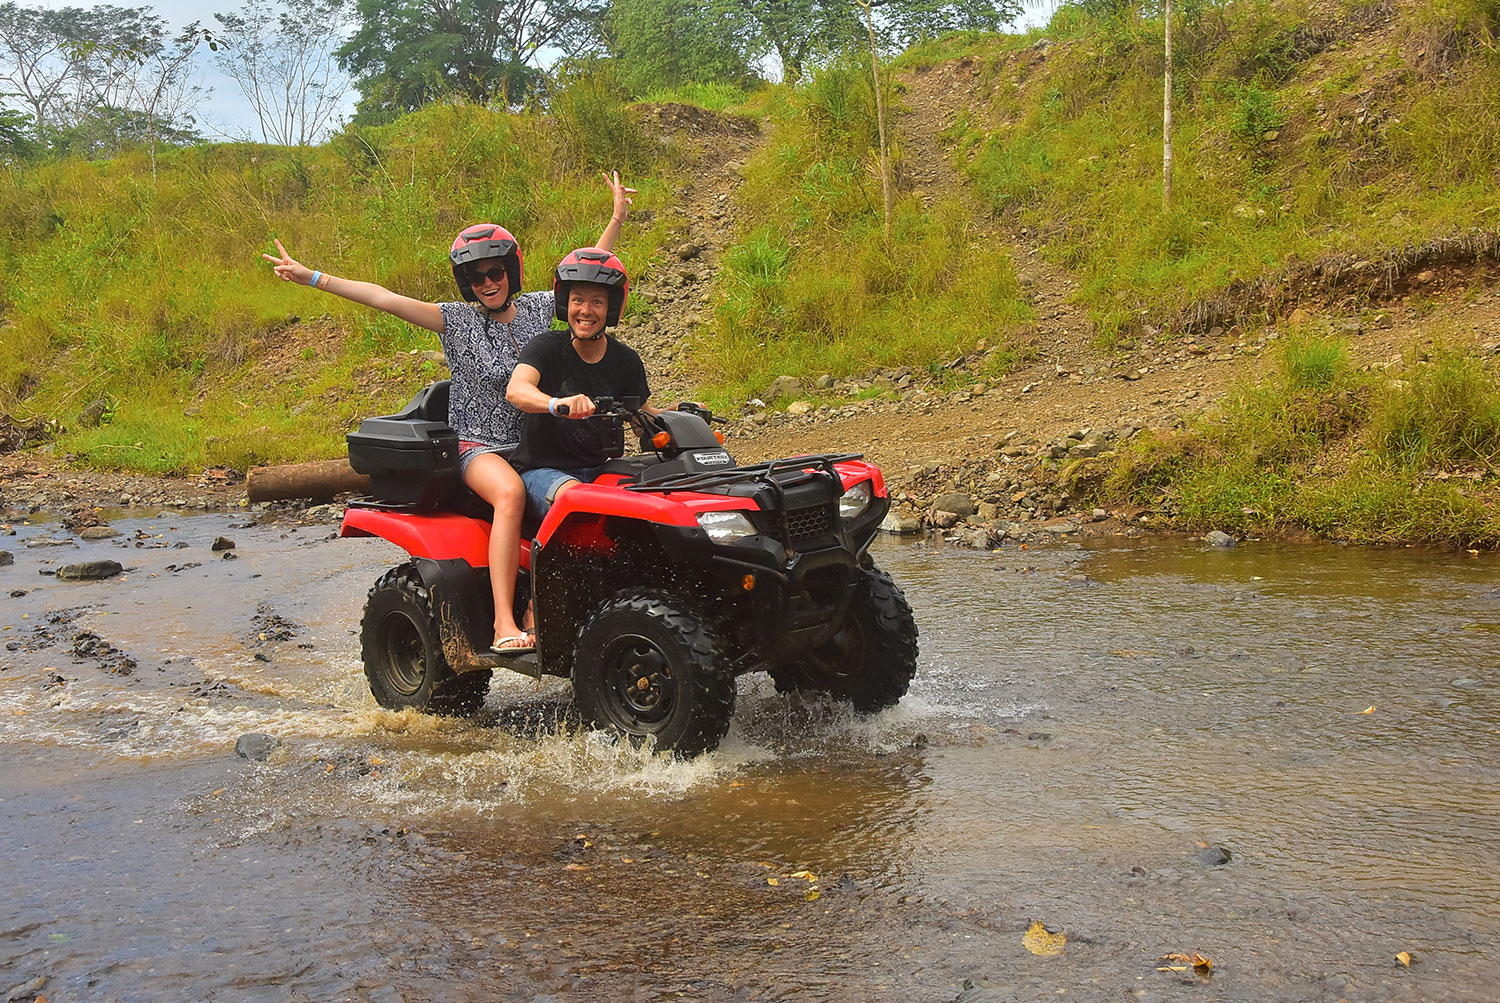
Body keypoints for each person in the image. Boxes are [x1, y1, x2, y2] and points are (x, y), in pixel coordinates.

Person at [263, 173, 636, 653]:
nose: (487, 283)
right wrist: (312, 276)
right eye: (476, 276)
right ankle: (506, 622)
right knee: (509, 494)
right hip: (476, 445)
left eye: (495, 272)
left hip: (538, 447)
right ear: (466, 281)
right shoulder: (455, 321)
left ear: (511, 271)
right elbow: (382, 297)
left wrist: (616, 220)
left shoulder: (540, 310)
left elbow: (586, 276)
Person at [506, 247, 661, 518]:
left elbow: (644, 419)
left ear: (611, 308)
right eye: (578, 300)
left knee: (657, 496)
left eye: (597, 302)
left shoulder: (626, 360)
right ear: (566, 303)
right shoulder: (546, 347)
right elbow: (517, 391)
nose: (586, 311)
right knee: (578, 499)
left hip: (601, 470)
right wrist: (557, 403)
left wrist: (684, 415)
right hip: (542, 473)